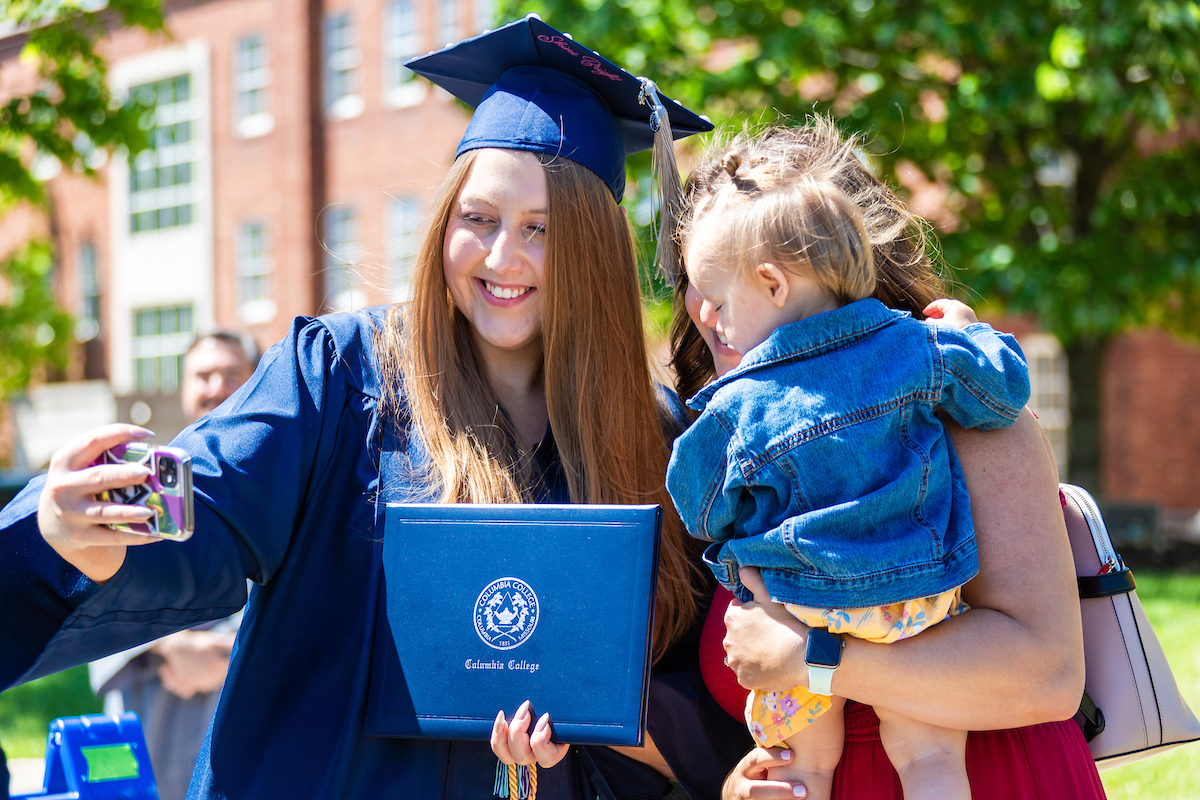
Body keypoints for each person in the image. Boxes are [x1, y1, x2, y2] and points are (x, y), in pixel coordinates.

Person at [0, 17, 751, 800]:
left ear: (595, 250)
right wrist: (75, 535)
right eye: (479, 219)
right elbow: (212, 505)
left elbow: (705, 689)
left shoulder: (657, 438)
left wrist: (598, 720)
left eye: (543, 229)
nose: (503, 258)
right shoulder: (340, 376)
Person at [668, 120, 1105, 800]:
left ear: (776, 280)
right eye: (693, 284)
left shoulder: (952, 404)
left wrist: (817, 664)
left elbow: (1046, 675)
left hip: (993, 776)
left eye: (718, 288)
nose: (704, 312)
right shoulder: (750, 440)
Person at [87, 330, 260, 800]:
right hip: (149, 736)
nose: (216, 386)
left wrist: (226, 661)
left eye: (232, 374)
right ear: (184, 387)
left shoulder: (284, 496)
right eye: (204, 375)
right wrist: (169, 645)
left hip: (238, 742)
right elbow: (98, 599)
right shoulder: (141, 485)